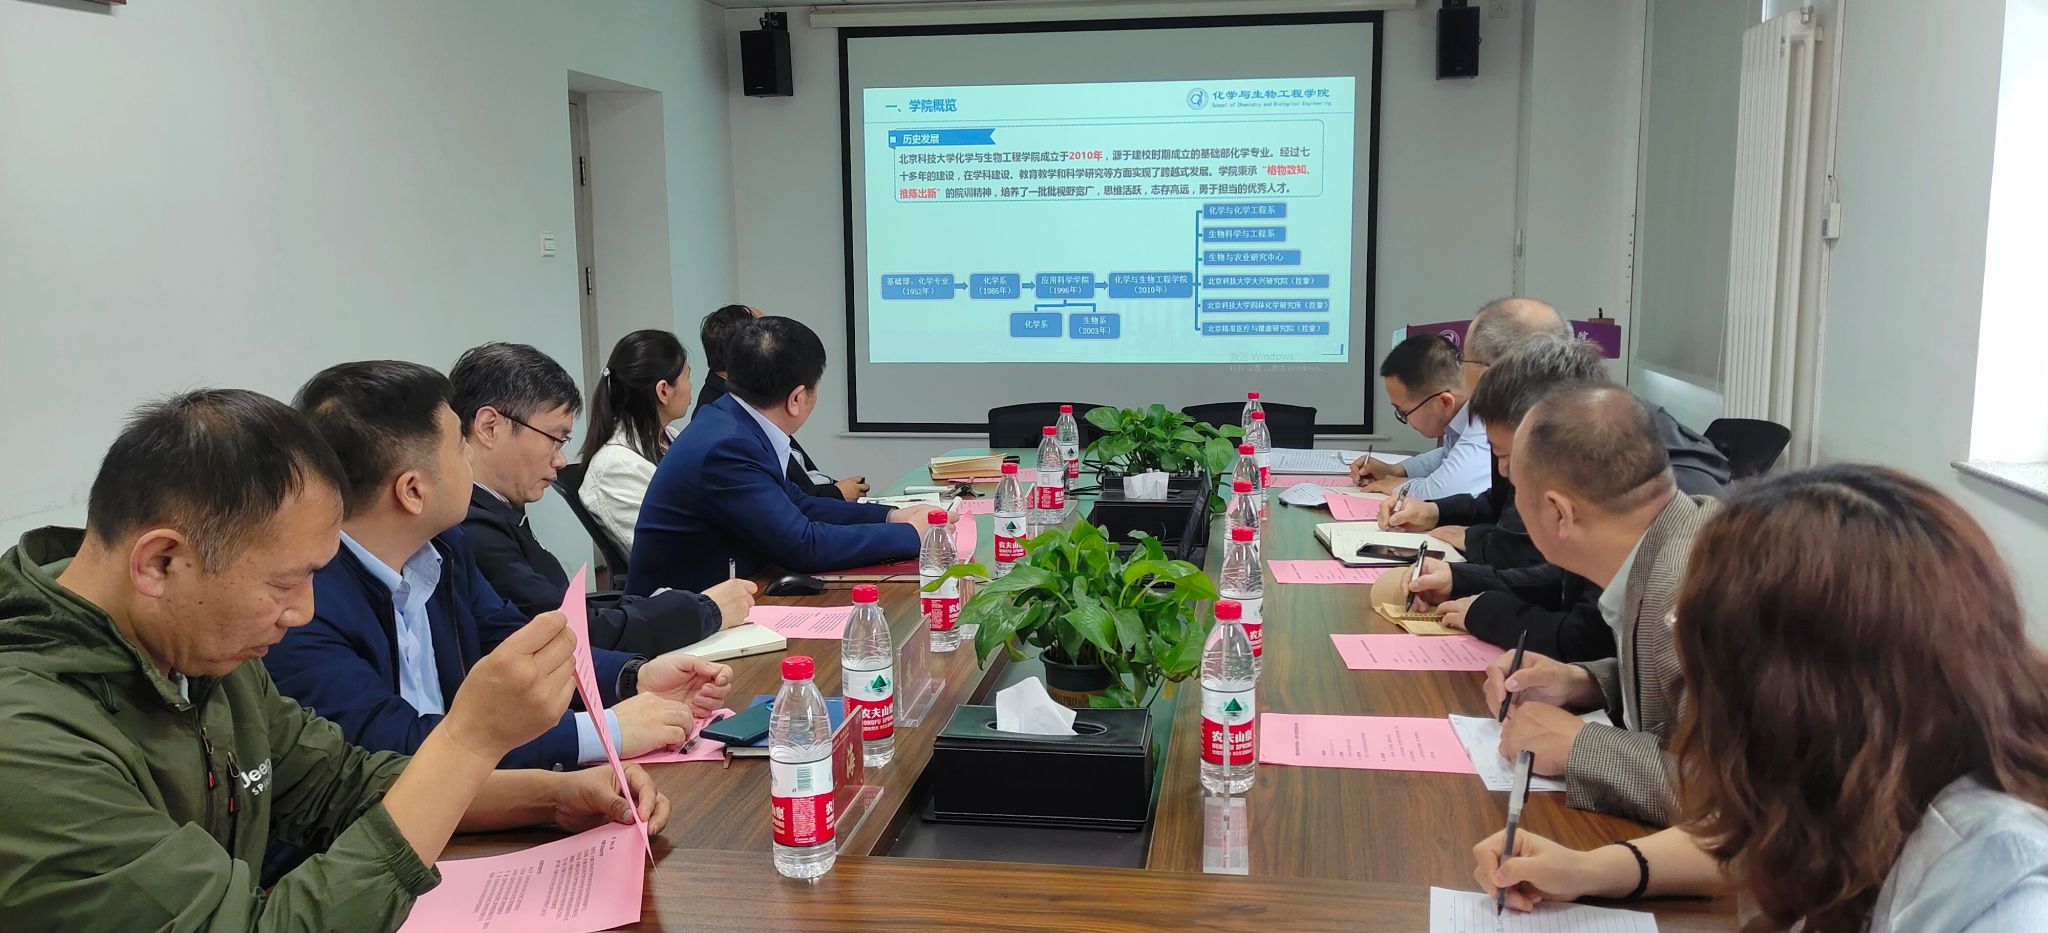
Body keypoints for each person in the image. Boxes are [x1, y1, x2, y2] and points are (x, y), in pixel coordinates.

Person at [0, 389, 671, 929]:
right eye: (285, 582)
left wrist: (551, 795)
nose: (304, 612)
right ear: (160, 562)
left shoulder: (201, 653)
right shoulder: (29, 742)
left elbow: (341, 783)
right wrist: (471, 738)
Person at [1475, 465, 2048, 932]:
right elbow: (1761, 836)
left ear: (1789, 696)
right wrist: (1588, 870)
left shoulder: (2007, 894)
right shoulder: (1894, 769)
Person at [268, 361, 731, 778]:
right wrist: (603, 730)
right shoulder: (304, 606)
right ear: (412, 491)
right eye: (459, 447)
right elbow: (395, 748)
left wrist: (631, 677)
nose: (471, 458)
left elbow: (514, 642)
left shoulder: (444, 548)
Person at [1477, 385, 1719, 825]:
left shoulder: (1690, 594)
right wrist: (1582, 682)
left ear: (1560, 513)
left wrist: (1579, 747)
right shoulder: (1679, 535)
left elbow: (1728, 801)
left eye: (1517, 489)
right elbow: (1680, 688)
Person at [451, 342, 753, 654]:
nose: (560, 461)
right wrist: (704, 610)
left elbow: (564, 609)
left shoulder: (497, 511)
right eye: (555, 440)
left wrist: (660, 606)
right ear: (489, 427)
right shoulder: (472, 529)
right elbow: (567, 630)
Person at [629, 316, 944, 595]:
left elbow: (798, 503)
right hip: (677, 624)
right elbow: (802, 546)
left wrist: (891, 516)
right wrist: (910, 535)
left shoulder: (732, 420)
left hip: (725, 597)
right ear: (797, 399)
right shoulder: (727, 447)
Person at [699, 303, 867, 501]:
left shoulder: (739, 404)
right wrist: (837, 494)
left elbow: (794, 497)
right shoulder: (727, 428)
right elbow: (788, 506)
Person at [578, 329, 693, 554]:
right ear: (663, 391)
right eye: (687, 377)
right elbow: (668, 549)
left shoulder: (670, 437)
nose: (690, 387)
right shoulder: (615, 467)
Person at [1351, 333, 1492, 499]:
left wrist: (1398, 486)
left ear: (1444, 402)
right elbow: (1448, 454)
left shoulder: (1484, 423)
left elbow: (1443, 492)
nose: (1405, 420)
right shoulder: (1461, 417)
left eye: (1404, 412)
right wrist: (1395, 471)